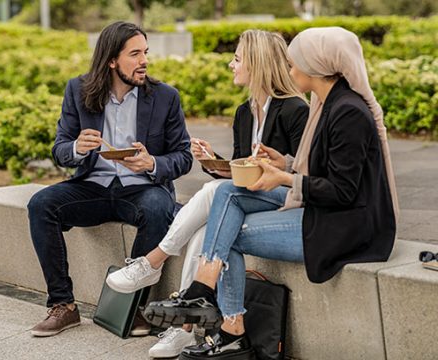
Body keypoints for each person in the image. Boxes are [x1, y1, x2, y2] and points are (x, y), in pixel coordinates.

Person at [144, 26, 399, 360]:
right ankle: (211, 303)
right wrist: (288, 165)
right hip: (324, 213)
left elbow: (343, 191)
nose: (290, 71)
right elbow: (324, 173)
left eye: (295, 64)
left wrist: (284, 177)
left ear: (316, 66)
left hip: (346, 228)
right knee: (227, 195)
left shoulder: (347, 111)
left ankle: (223, 320)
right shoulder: (327, 104)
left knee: (226, 230)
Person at [106, 30, 309, 358]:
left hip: (285, 201)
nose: (231, 65)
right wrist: (215, 163)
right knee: (209, 218)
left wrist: (231, 176)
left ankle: (154, 261)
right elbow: (242, 172)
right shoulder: (245, 112)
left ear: (256, 64)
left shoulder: (295, 110)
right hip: (246, 198)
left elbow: (301, 176)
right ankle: (185, 327)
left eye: (238, 59)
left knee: (215, 193)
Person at [26, 21, 192, 338]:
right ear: (111, 60)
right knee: (41, 204)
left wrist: (152, 163)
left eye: (146, 52)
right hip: (93, 187)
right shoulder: (78, 89)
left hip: (142, 190)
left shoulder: (165, 97)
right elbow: (60, 149)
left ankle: (134, 308)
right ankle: (63, 305)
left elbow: (183, 156)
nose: (144, 60)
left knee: (159, 208)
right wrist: (76, 147)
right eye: (135, 54)